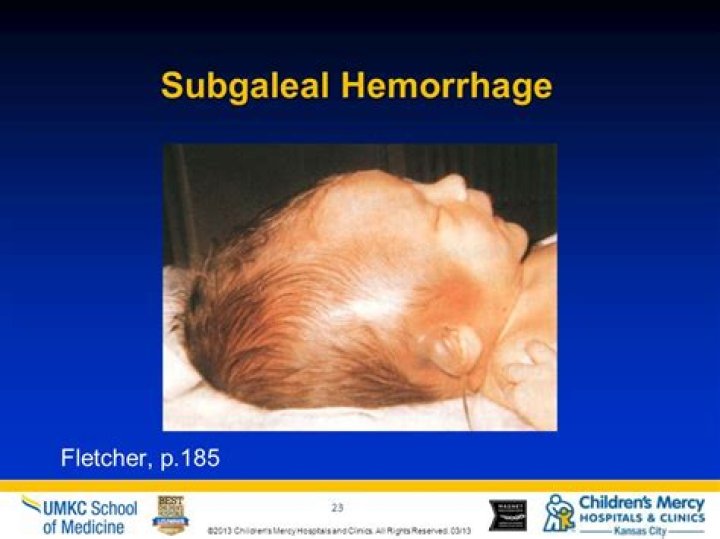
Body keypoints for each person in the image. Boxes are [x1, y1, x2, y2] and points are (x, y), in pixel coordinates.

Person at [182, 169, 556, 428]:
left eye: (414, 183)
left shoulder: (517, 282)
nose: (453, 183)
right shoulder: (525, 359)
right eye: (439, 217)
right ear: (453, 345)